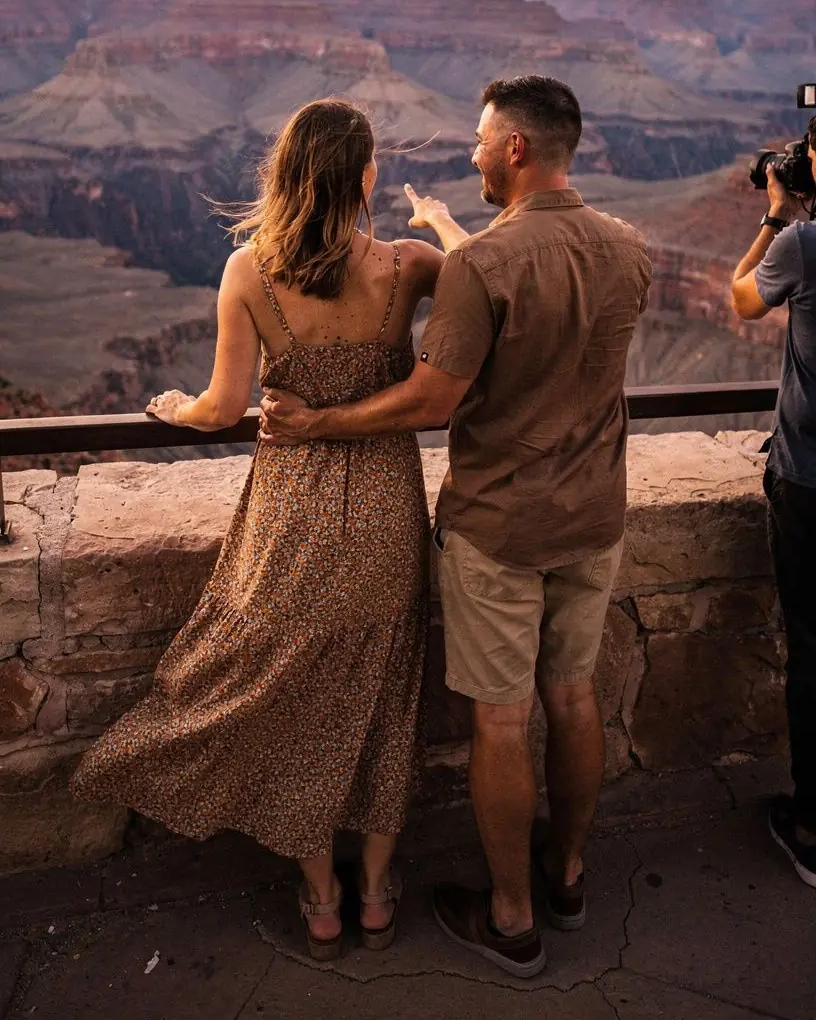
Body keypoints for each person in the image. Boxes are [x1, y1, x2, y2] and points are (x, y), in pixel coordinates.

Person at [260, 75, 652, 978]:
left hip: (501, 528)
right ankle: (569, 874)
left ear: (515, 149)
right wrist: (441, 227)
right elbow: (527, 280)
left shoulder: (485, 267)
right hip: (595, 516)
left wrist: (319, 423)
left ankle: (511, 918)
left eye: (481, 141)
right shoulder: (628, 246)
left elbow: (431, 397)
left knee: (503, 724)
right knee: (576, 697)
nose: (472, 152)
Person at [71, 99, 445, 960]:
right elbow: (496, 292)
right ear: (365, 177)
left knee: (290, 699)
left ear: (283, 175)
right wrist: (449, 223)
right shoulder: (409, 265)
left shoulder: (250, 272)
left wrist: (175, 407)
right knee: (388, 698)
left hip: (292, 512)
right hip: (387, 501)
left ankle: (319, 898)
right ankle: (378, 896)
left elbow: (224, 407)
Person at [731, 115, 816, 889]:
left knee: (814, 649)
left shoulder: (804, 245)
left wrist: (774, 216)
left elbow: (743, 302)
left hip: (810, 482)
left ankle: (813, 826)